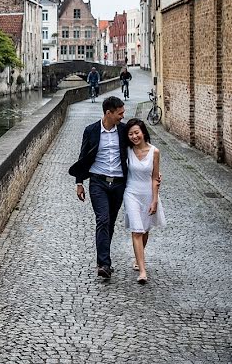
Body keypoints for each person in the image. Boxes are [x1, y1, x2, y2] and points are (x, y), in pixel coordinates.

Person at [68, 96, 129, 279]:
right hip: (98, 181)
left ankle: (103, 258)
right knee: (102, 219)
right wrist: (79, 183)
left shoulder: (124, 130)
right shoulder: (91, 131)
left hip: (118, 183)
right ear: (108, 113)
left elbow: (140, 148)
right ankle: (104, 264)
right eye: (120, 113)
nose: (122, 116)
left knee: (109, 222)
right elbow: (82, 157)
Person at [123, 118, 165, 284]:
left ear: (143, 133)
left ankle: (137, 258)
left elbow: (155, 178)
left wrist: (154, 200)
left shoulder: (155, 151)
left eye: (137, 132)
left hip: (147, 194)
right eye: (131, 134)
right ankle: (142, 270)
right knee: (137, 230)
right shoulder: (126, 150)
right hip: (131, 193)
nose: (134, 136)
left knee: (145, 230)